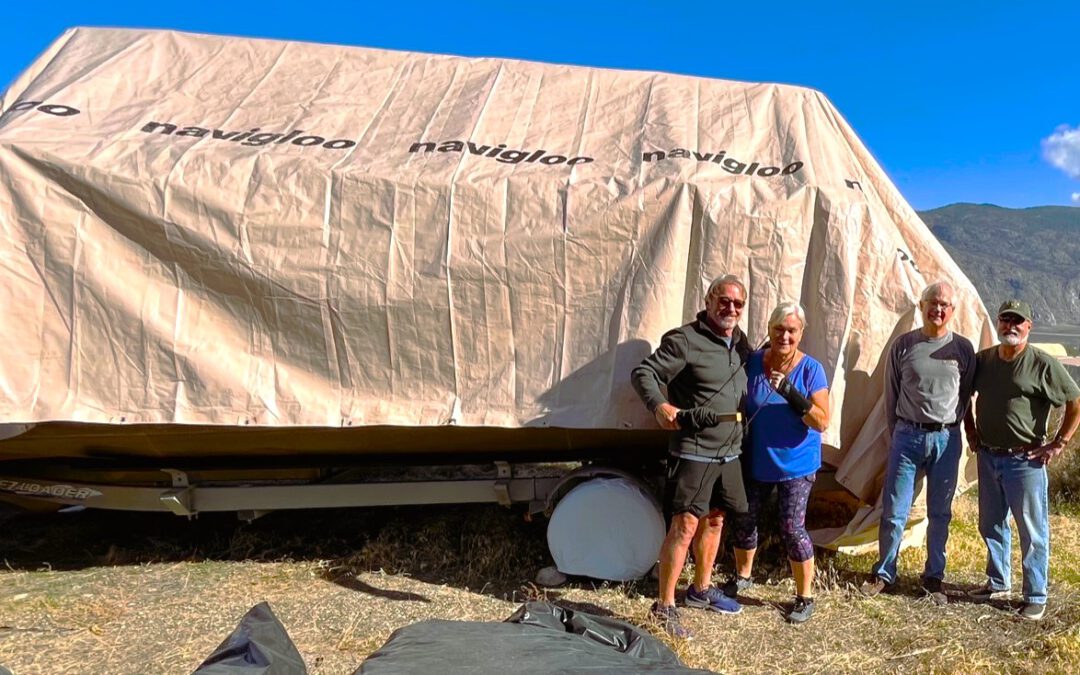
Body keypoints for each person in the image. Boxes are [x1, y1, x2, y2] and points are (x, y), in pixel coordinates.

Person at [631, 274, 750, 638]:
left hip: (730, 452)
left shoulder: (742, 344)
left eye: (738, 304)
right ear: (709, 300)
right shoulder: (685, 340)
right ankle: (664, 606)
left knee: (715, 520)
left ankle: (700, 590)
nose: (730, 308)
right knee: (685, 526)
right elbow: (644, 372)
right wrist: (660, 406)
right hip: (695, 449)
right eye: (723, 300)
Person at [964, 299, 1080, 620]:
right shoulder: (984, 360)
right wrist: (971, 430)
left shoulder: (1041, 363)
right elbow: (964, 394)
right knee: (991, 523)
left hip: (1025, 460)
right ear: (998, 322)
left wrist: (1059, 443)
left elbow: (1074, 402)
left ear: (1029, 326)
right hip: (988, 456)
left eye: (1018, 321)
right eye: (1005, 319)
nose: (1010, 326)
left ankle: (1035, 595)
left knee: (1032, 530)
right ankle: (998, 582)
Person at [861, 281, 976, 600]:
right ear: (922, 306)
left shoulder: (963, 349)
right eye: (933, 303)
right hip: (907, 436)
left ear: (952, 311)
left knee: (940, 512)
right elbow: (892, 394)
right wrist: (899, 431)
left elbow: (964, 394)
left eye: (945, 305)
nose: (938, 309)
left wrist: (952, 426)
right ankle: (885, 572)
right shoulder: (903, 345)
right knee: (894, 509)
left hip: (947, 438)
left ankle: (934, 576)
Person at [726, 301, 830, 624]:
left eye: (791, 331)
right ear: (769, 330)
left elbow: (822, 421)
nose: (784, 336)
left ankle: (804, 596)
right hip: (759, 459)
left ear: (801, 334)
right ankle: (743, 576)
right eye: (778, 329)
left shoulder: (811, 369)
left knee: (791, 527)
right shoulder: (755, 361)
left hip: (796, 464)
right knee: (744, 519)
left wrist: (790, 392)